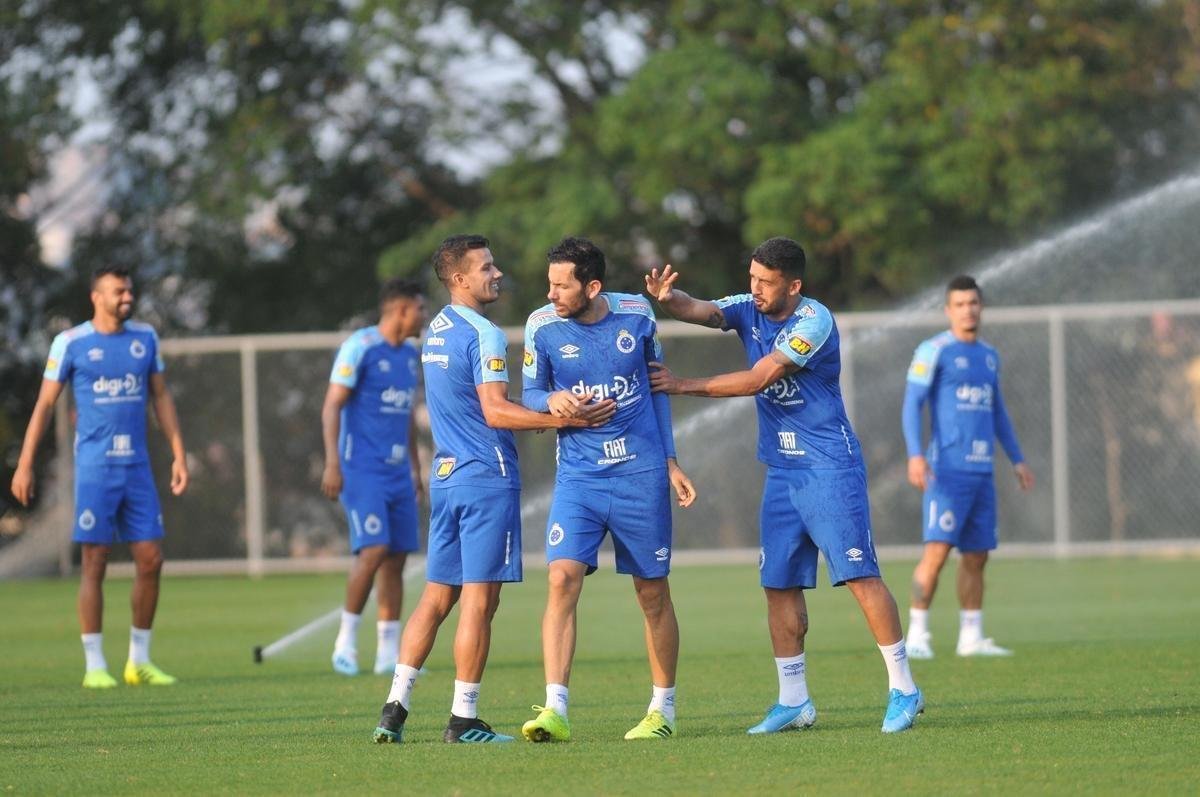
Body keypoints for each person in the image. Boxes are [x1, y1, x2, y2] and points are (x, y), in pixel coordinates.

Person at [646, 237, 923, 734]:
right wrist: (669, 301)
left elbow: (758, 378)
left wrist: (683, 385)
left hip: (828, 466)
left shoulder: (812, 323)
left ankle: (904, 687)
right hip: (782, 470)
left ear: (793, 285)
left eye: (765, 283)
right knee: (778, 584)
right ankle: (794, 700)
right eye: (751, 278)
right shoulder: (747, 305)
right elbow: (704, 311)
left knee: (859, 577)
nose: (754, 290)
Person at [371, 234, 615, 745]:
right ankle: (463, 720)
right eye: (485, 268)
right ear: (459, 279)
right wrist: (559, 419)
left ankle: (394, 710)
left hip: (447, 478)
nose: (496, 273)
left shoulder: (436, 329)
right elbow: (494, 410)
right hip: (486, 477)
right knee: (479, 601)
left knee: (437, 597)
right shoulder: (483, 333)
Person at [518, 237, 697, 743]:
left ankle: (662, 710)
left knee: (652, 594)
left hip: (640, 476)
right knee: (561, 579)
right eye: (549, 283)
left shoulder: (637, 314)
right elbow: (531, 391)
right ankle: (555, 709)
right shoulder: (541, 326)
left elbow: (657, 388)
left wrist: (670, 462)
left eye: (561, 284)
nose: (550, 293)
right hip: (579, 478)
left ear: (592, 286)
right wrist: (552, 397)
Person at [10, 265, 189, 688]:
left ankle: (138, 661)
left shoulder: (145, 338)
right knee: (95, 562)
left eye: (129, 291)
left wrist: (180, 455)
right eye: (117, 292)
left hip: (138, 469)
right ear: (97, 296)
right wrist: (25, 462)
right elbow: (44, 404)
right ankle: (94, 666)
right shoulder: (70, 343)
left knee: (151, 559)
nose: (126, 298)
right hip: (95, 470)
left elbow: (161, 397)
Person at [902, 275, 1035, 659]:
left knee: (977, 556)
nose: (968, 309)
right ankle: (917, 636)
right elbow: (912, 403)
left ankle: (971, 637)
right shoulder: (934, 350)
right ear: (948, 310)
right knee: (937, 553)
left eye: (973, 302)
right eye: (960, 304)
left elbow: (998, 412)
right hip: (946, 471)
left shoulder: (990, 355)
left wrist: (1017, 458)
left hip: (982, 472)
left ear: (981, 306)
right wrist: (915, 454)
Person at [321, 279, 427, 676]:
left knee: (396, 558)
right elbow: (332, 407)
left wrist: (416, 471)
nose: (425, 316)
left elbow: (405, 421)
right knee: (373, 549)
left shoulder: (409, 357)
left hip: (399, 472)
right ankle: (345, 643)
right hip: (361, 469)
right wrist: (332, 463)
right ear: (401, 310)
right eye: (421, 308)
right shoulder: (359, 347)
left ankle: (388, 653)